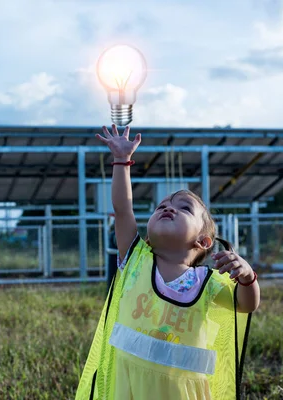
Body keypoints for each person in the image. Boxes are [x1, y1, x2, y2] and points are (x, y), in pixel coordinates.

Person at [75, 125, 260, 400]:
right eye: (161, 206)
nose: (168, 208)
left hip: (181, 390)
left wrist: (247, 277)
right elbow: (123, 209)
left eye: (184, 208)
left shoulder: (206, 282)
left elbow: (245, 304)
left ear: (203, 242)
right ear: (148, 236)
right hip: (127, 385)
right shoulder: (135, 258)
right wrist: (121, 161)